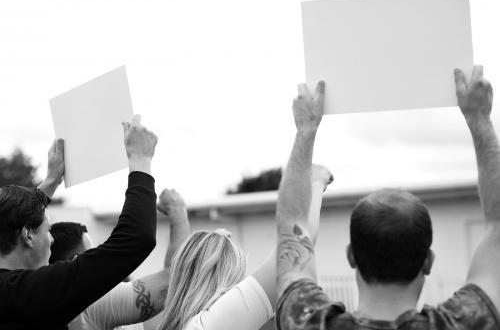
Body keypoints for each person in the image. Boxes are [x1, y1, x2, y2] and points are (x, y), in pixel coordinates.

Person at [276, 67, 500, 330]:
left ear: (351, 256)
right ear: (428, 261)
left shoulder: (306, 320)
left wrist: (306, 129)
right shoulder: (466, 323)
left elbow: (293, 227)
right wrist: (479, 118)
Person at [0, 114, 158, 330]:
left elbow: (8, 218)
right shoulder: (30, 293)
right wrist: (140, 161)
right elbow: (136, 239)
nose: (52, 239)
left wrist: (49, 184)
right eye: (48, 230)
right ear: (27, 235)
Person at [156, 165, 333, 330]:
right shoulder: (212, 324)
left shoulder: (160, 320)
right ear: (223, 280)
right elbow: (295, 246)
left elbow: (168, 271)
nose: (239, 284)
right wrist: (315, 183)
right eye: (238, 275)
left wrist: (177, 212)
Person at [49, 188, 190, 330]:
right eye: (90, 255)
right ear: (75, 261)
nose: (97, 259)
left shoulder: (42, 301)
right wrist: (178, 212)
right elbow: (169, 281)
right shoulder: (90, 304)